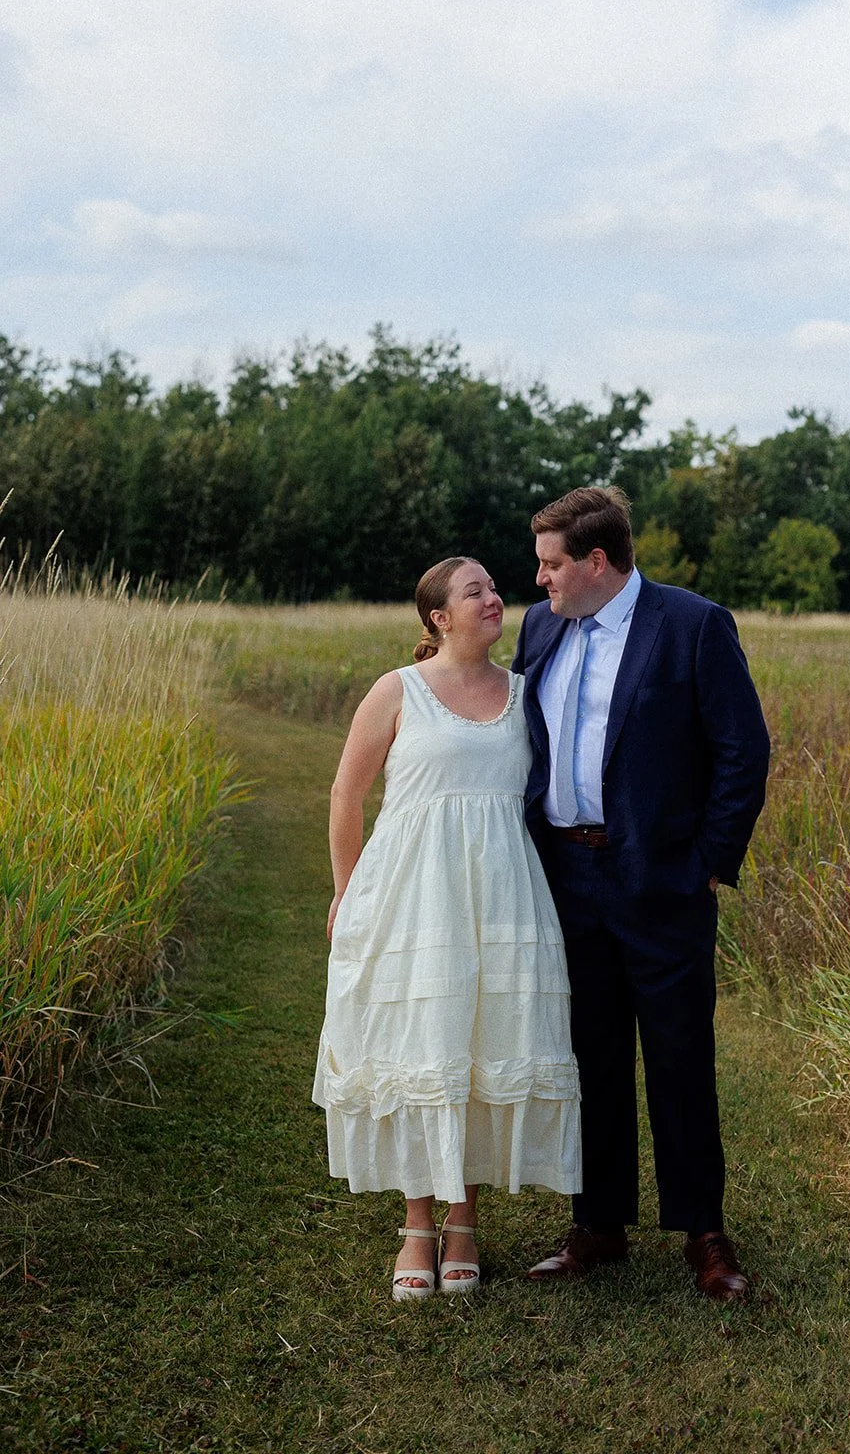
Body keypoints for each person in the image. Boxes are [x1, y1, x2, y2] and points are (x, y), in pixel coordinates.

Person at [512, 488, 770, 1299]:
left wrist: (704, 862)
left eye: (551, 563)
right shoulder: (538, 625)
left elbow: (742, 752)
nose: (539, 577)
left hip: (662, 881)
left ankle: (704, 1234)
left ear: (597, 561)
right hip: (565, 876)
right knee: (587, 1055)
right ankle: (598, 1226)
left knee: (679, 1058)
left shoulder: (692, 624)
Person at [312, 557, 581, 1300]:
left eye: (495, 589)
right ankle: (417, 1225)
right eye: (476, 592)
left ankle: (464, 1220)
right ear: (438, 617)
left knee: (482, 1037)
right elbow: (346, 793)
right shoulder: (396, 689)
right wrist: (345, 890)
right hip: (411, 892)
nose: (495, 599)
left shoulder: (526, 694)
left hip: (501, 893)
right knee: (419, 1043)